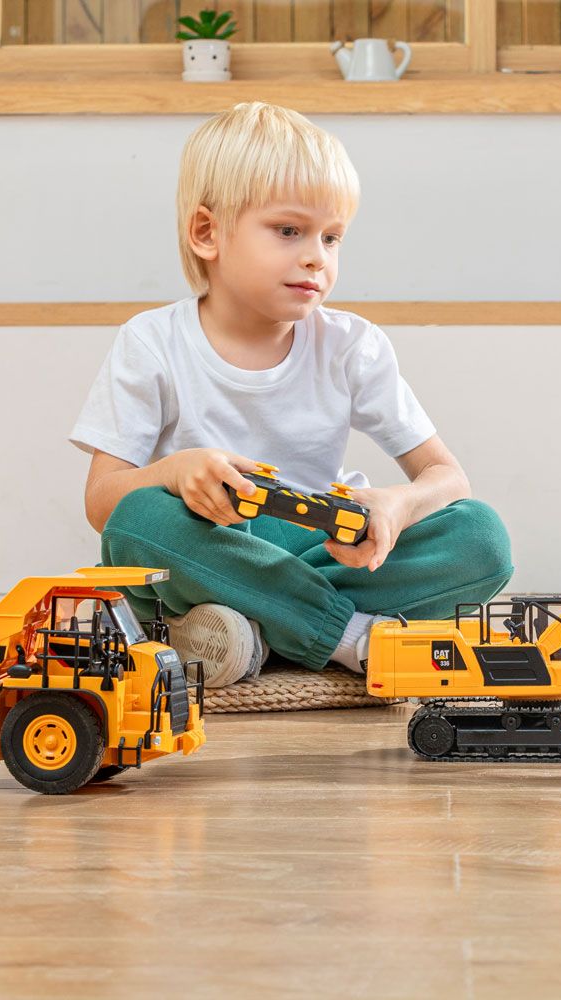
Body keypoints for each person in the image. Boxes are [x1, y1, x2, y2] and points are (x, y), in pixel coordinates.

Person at [69, 101, 514, 687]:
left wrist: (395, 505)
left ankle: (257, 625)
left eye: (332, 238)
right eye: (288, 231)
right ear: (208, 233)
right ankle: (350, 635)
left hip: (319, 546)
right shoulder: (152, 342)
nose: (316, 257)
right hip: (213, 548)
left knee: (481, 536)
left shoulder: (352, 344)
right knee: (140, 521)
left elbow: (447, 477)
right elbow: (104, 503)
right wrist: (174, 472)